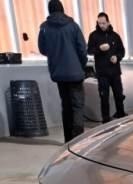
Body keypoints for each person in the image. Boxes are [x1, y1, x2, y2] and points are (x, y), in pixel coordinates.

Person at [38, 0, 88, 142]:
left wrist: (55, 55)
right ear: (62, 9)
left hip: (59, 73)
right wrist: (81, 65)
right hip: (75, 72)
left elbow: (43, 49)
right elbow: (82, 49)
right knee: (77, 106)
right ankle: (78, 140)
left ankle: (68, 140)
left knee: (66, 106)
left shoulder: (44, 28)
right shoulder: (73, 26)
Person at [87, 12, 127, 123]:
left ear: (108, 22)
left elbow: (122, 51)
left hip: (115, 72)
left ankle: (121, 116)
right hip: (102, 73)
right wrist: (99, 49)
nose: (101, 25)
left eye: (104, 23)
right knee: (104, 97)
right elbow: (89, 51)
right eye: (99, 23)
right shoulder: (93, 36)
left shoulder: (115, 36)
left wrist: (117, 57)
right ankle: (106, 120)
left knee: (119, 96)